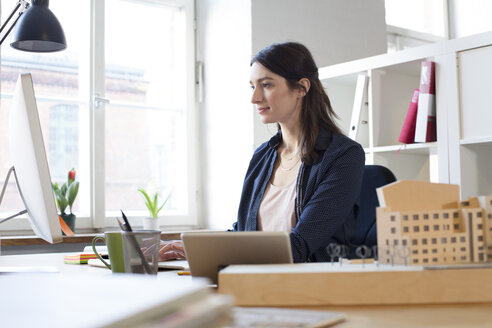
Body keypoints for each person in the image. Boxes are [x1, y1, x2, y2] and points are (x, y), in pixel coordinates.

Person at [158, 42, 365, 263]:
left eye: (266, 85)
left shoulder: (343, 156)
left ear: (302, 88)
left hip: (312, 287)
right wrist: (185, 248)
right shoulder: (263, 156)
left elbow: (298, 247)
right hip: (258, 281)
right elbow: (244, 234)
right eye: (252, 86)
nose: (255, 98)